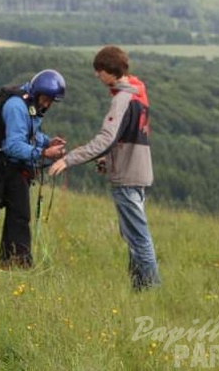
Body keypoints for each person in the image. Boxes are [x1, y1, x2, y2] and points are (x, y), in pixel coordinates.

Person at [48, 45, 160, 290]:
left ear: (111, 71)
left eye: (99, 71)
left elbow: (105, 140)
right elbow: (127, 139)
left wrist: (68, 159)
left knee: (139, 239)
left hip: (127, 176)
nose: (97, 75)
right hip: (137, 171)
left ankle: (151, 291)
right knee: (133, 236)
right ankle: (140, 290)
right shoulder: (138, 93)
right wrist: (106, 161)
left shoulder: (122, 99)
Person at [0, 69, 67, 269]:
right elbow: (13, 145)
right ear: (37, 93)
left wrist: (47, 142)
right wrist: (44, 154)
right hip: (7, 166)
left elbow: (29, 133)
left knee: (15, 215)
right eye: (45, 99)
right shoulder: (16, 106)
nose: (47, 104)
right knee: (21, 215)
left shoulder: (30, 105)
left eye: (50, 101)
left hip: (16, 166)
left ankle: (7, 262)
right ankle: (21, 263)